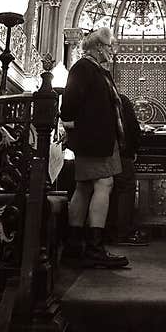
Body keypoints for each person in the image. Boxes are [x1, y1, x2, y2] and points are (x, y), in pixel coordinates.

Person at [60, 28, 129, 269]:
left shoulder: (98, 71)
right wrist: (81, 128)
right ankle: (94, 247)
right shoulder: (84, 67)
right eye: (110, 45)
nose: (113, 50)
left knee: (84, 186)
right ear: (98, 47)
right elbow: (68, 104)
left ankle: (74, 244)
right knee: (104, 183)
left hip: (99, 139)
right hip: (93, 139)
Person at [107, 92, 148, 246]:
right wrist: (132, 149)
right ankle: (123, 232)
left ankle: (105, 232)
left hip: (99, 154)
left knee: (106, 190)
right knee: (125, 188)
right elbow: (132, 127)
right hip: (122, 153)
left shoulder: (94, 99)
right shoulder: (120, 99)